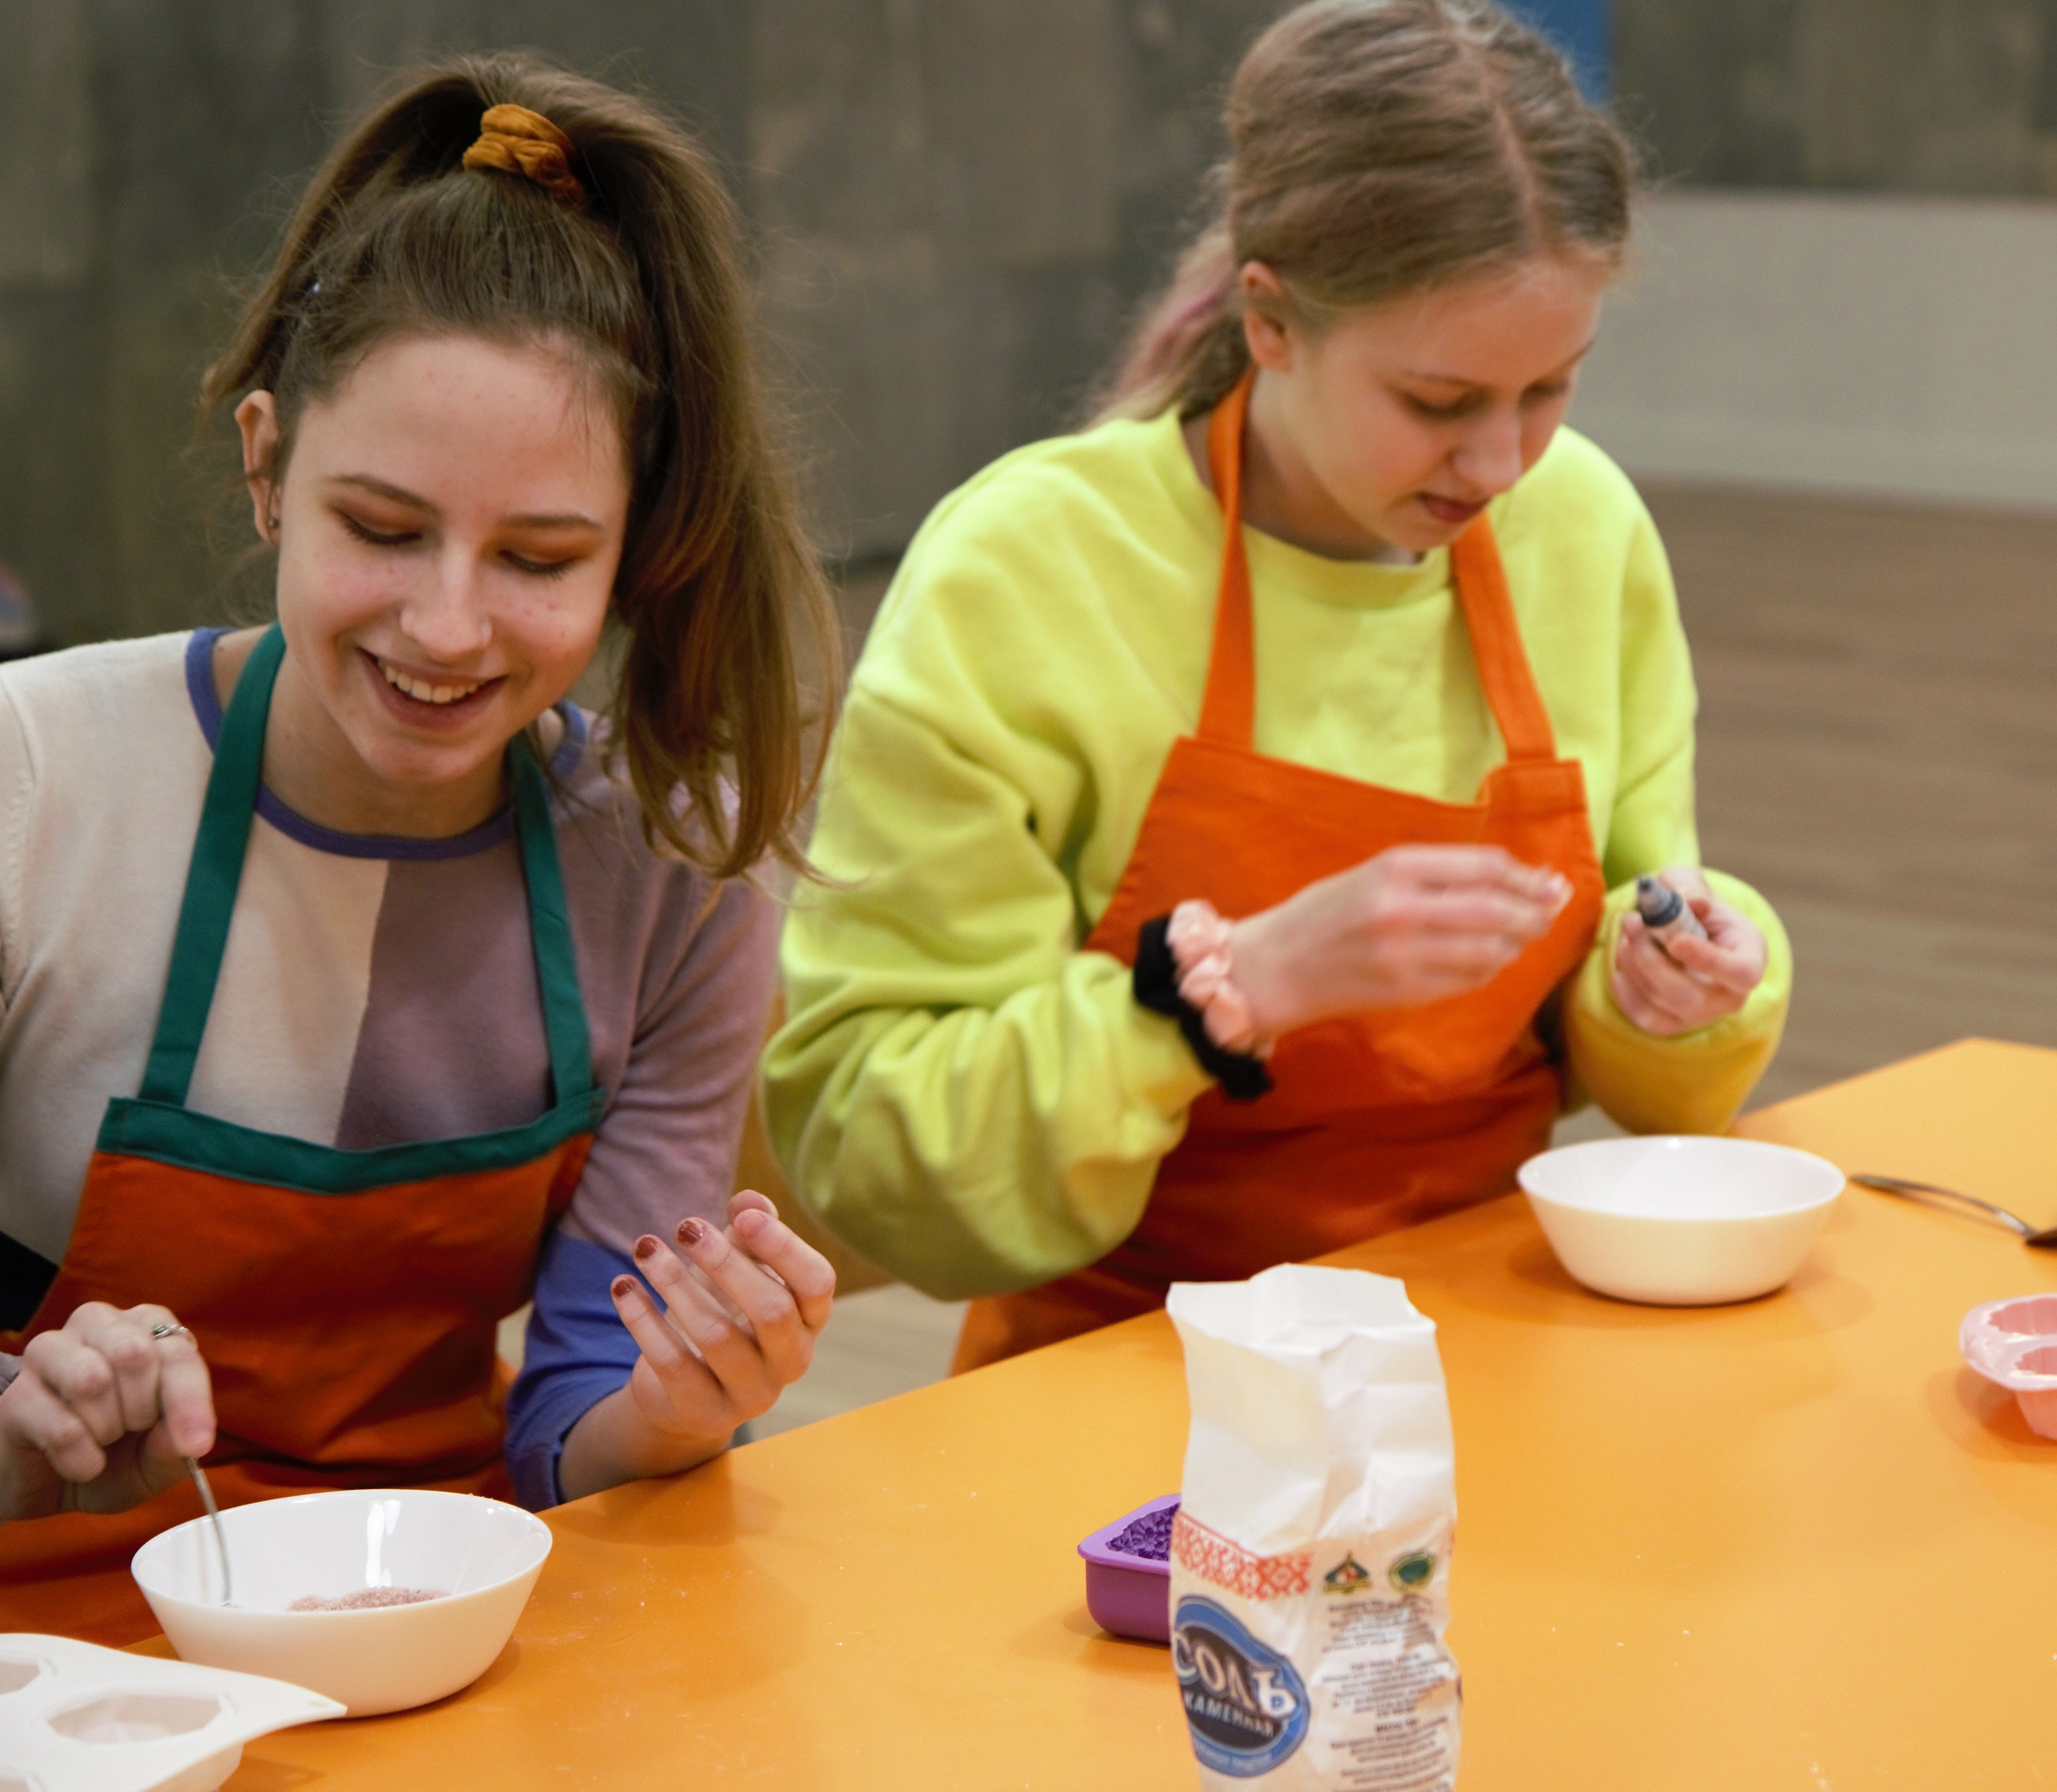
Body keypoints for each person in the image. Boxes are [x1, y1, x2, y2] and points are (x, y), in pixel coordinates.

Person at [0, 55, 839, 1646]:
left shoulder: (675, 872)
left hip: (440, 1636)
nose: (449, 625)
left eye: (540, 557)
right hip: (30, 1658)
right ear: (267, 465)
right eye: (384, 530)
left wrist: (686, 1399)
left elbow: (572, 1430)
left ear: (634, 551)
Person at [761, 0, 1792, 1371]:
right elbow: (868, 1141)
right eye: (1438, 403)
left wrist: (1673, 992)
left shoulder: (1584, 531)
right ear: (1271, 321)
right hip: (1129, 1367)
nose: (1501, 465)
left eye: (1551, 389)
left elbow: (1640, 1035)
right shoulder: (1028, 572)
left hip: (1492, 1331)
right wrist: (1236, 985)